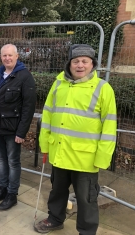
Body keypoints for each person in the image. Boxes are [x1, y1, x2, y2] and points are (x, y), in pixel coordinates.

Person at [35, 44, 117, 234]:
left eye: (84, 61)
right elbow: (47, 116)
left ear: (92, 64)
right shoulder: (58, 84)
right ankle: (55, 219)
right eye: (76, 61)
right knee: (57, 192)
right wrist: (45, 145)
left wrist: (102, 157)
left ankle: (87, 231)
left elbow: (109, 126)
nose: (80, 65)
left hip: (85, 158)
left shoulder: (103, 89)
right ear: (69, 64)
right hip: (60, 152)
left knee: (86, 198)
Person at [0, 44, 36, 211]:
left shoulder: (25, 77)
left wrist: (22, 131)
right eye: (4, 55)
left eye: (10, 55)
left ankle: (12, 194)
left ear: (17, 56)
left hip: (13, 130)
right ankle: (3, 189)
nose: (7, 58)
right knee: (1, 160)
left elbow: (28, 107)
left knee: (13, 162)